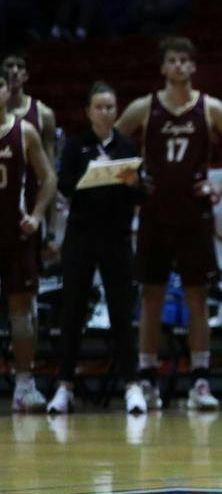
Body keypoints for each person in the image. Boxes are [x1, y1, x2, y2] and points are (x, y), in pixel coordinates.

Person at [112, 36, 222, 410]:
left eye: (185, 60)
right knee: (151, 294)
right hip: (154, 212)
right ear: (163, 68)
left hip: (194, 215)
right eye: (172, 61)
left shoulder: (209, 108)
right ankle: (147, 377)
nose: (179, 66)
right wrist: (131, 177)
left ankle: (199, 380)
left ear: (193, 67)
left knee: (197, 296)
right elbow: (109, 146)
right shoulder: (144, 108)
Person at [48, 82, 144, 416]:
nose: (105, 112)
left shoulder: (127, 145)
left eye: (110, 107)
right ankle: (64, 386)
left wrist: (134, 182)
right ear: (88, 112)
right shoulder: (77, 146)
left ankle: (133, 386)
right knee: (72, 311)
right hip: (81, 238)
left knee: (121, 312)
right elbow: (64, 185)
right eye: (99, 107)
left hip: (117, 238)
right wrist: (90, 177)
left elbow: (141, 194)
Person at [0, 77, 57, 413]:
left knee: (22, 312)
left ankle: (24, 385)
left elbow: (49, 178)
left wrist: (36, 216)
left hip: (16, 234)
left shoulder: (24, 132)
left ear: (7, 91)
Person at [1, 52, 59, 148]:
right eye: (9, 66)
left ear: (26, 76)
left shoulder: (44, 114)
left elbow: (49, 160)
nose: (15, 71)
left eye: (20, 67)